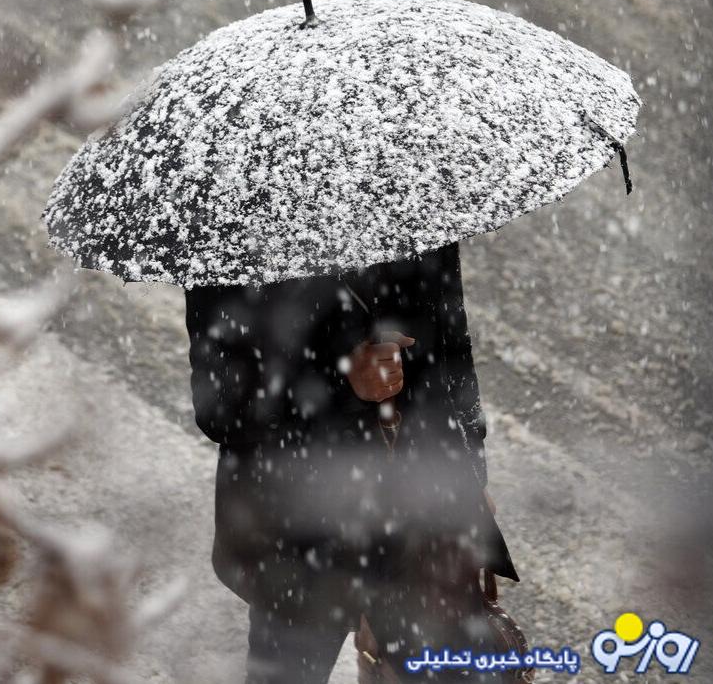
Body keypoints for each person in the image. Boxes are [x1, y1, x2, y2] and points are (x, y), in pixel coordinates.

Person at [184, 241, 519, 683]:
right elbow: (221, 405)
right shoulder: (236, 225)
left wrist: (471, 469)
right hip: (298, 534)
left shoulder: (411, 191)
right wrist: (343, 385)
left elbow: (450, 344)